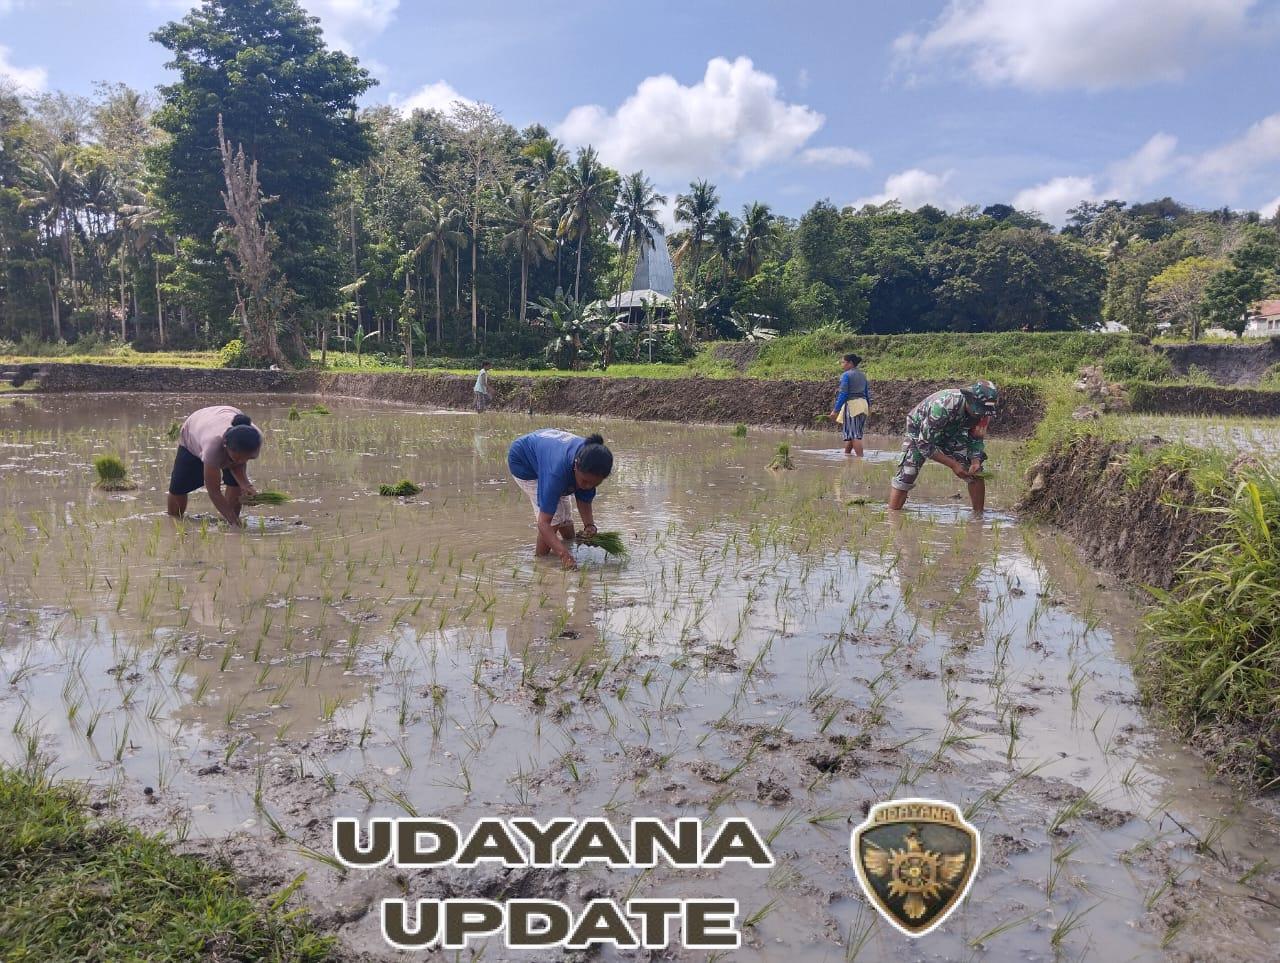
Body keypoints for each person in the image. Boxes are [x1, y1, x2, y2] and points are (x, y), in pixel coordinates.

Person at [508, 428, 613, 569]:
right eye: (585, 481)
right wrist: (564, 555)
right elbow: (543, 523)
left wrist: (589, 526)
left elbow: (584, 499)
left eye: (594, 484)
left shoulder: (592, 462)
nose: (588, 486)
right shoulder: (556, 473)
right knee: (555, 517)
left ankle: (567, 545)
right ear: (576, 466)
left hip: (550, 454)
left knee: (565, 516)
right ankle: (541, 563)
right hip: (523, 462)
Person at [888, 381, 998, 513]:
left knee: (975, 472)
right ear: (969, 400)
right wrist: (953, 465)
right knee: (908, 472)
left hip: (954, 431)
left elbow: (976, 439)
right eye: (978, 411)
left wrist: (975, 461)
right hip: (920, 431)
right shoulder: (943, 406)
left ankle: (978, 516)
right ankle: (893, 516)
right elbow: (925, 444)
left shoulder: (984, 413)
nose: (981, 415)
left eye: (983, 412)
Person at [167, 405, 262, 527]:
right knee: (179, 486)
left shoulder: (255, 438)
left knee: (235, 484)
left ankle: (228, 520)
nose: (242, 461)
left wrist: (245, 485)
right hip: (195, 428)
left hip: (225, 416)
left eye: (248, 457)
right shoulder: (212, 446)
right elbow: (214, 491)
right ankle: (173, 523)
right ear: (225, 446)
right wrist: (234, 522)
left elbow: (238, 464)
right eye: (237, 458)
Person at [827, 352, 871, 456]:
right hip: (863, 405)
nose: (842, 365)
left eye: (843, 362)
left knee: (854, 435)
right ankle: (847, 454)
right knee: (854, 433)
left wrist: (835, 410)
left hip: (853, 406)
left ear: (850, 363)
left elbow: (843, 394)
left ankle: (860, 460)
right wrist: (869, 407)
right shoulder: (862, 375)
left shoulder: (846, 375)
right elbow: (866, 392)